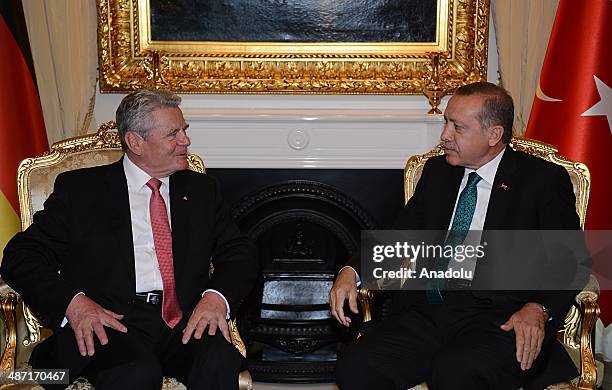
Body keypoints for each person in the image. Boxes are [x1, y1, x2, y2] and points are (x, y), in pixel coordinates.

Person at [329, 82, 589, 390]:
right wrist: (352, 271)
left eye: (458, 127)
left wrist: (538, 308)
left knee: (457, 371)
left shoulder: (541, 181)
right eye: (446, 123)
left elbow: (571, 260)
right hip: (431, 309)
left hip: (501, 316)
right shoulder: (438, 173)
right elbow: (399, 236)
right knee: (357, 366)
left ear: (494, 135)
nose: (444, 136)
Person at [1, 89, 258, 389]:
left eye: (184, 131)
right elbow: (21, 254)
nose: (185, 141)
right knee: (135, 372)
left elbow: (238, 251)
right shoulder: (83, 192)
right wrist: (74, 304)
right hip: (111, 323)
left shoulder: (202, 190)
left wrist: (216, 297)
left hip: (184, 320)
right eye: (172, 134)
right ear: (136, 142)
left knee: (219, 360)